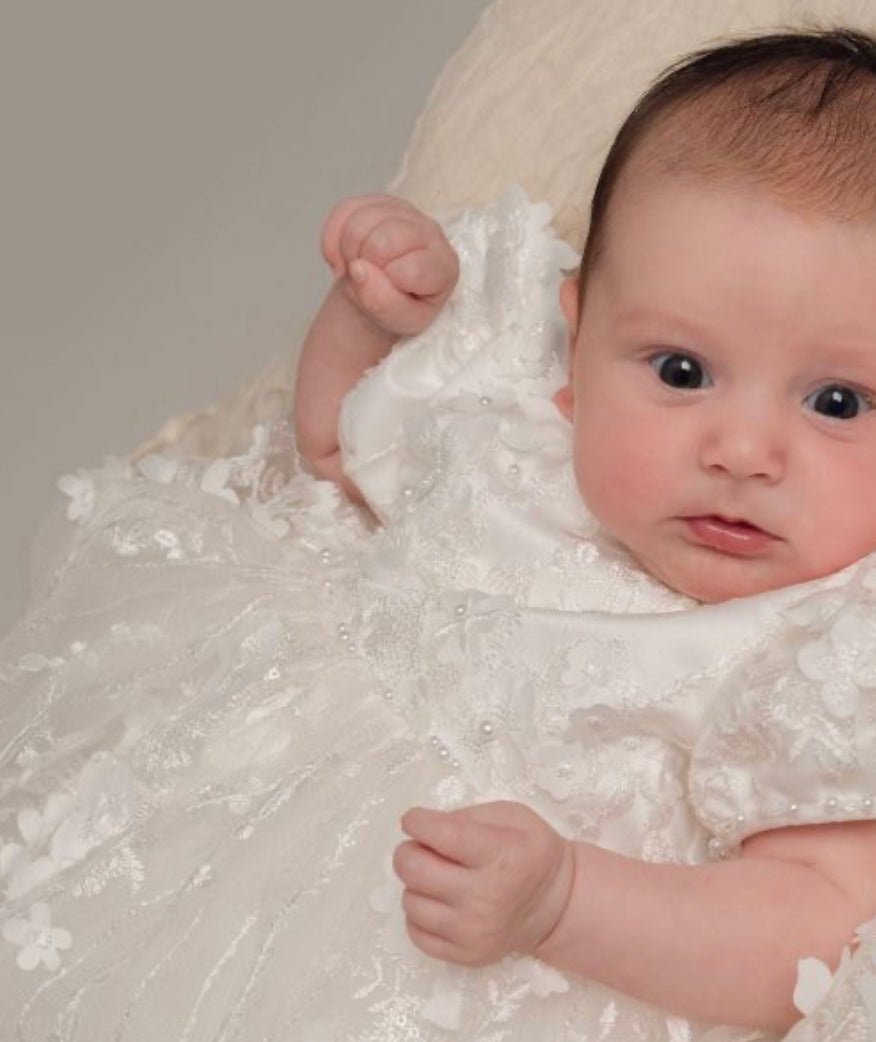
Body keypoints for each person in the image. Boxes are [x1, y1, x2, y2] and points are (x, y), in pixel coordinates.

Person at [1, 25, 876, 1042]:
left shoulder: (829, 644)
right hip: (240, 837)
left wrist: (566, 902)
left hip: (518, 971)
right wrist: (367, 320)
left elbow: (813, 931)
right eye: (681, 371)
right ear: (579, 337)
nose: (742, 448)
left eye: (839, 401)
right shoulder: (520, 421)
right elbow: (333, 456)